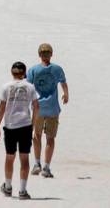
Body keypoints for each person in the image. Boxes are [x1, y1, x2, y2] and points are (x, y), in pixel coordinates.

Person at [0, 61, 38, 200]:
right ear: (24, 73)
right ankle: (23, 190)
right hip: (25, 125)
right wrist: (33, 123)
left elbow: (2, 107)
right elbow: (36, 106)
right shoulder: (30, 87)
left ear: (12, 72)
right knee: (24, 158)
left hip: (10, 126)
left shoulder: (6, 87)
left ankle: (8, 187)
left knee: (10, 156)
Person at [26, 43, 68, 178]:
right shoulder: (57, 69)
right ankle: (46, 167)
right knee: (50, 138)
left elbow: (28, 87)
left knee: (36, 135)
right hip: (52, 108)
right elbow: (63, 82)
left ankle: (37, 163)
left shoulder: (33, 70)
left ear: (39, 55)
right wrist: (66, 94)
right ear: (51, 54)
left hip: (38, 108)